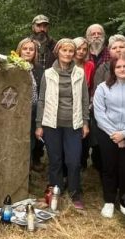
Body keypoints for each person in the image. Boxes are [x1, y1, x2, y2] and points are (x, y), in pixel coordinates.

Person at [35, 38, 89, 209]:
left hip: (73, 123)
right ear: (58, 52)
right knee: (55, 160)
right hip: (52, 123)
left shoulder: (79, 73)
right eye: (64, 50)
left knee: (73, 161)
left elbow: (85, 99)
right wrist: (38, 124)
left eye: (71, 51)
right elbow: (42, 100)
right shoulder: (48, 73)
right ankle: (55, 191)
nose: (67, 54)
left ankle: (75, 193)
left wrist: (85, 122)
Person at [93, 53, 125, 218]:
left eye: (124, 66)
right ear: (113, 69)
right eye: (118, 66)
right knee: (109, 167)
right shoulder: (103, 88)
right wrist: (115, 135)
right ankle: (109, 201)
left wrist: (123, 135)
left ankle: (123, 201)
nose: (122, 69)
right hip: (107, 134)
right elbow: (99, 114)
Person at [16, 38, 44, 171]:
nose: (28, 51)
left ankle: (27, 172)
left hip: (33, 111)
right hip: (17, 112)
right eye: (25, 49)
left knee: (30, 142)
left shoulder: (39, 69)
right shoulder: (13, 67)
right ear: (19, 50)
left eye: (31, 49)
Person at [73, 37, 95, 169]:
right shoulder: (66, 63)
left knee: (84, 134)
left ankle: (82, 161)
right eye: (78, 48)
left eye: (84, 49)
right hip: (68, 105)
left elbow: (91, 85)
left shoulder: (90, 65)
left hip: (84, 104)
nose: (81, 51)